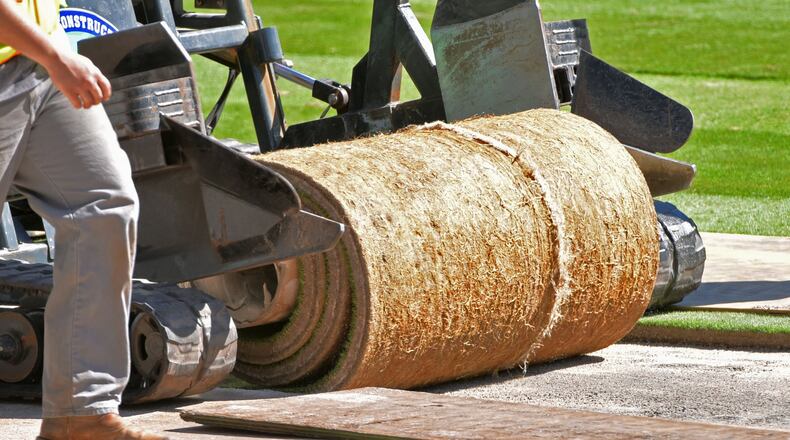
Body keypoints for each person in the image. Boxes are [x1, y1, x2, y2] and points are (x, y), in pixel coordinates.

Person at [0, 1, 166, 439]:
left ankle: (81, 413)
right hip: (40, 58)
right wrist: (57, 57)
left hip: (39, 61)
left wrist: (52, 51)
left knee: (103, 207)